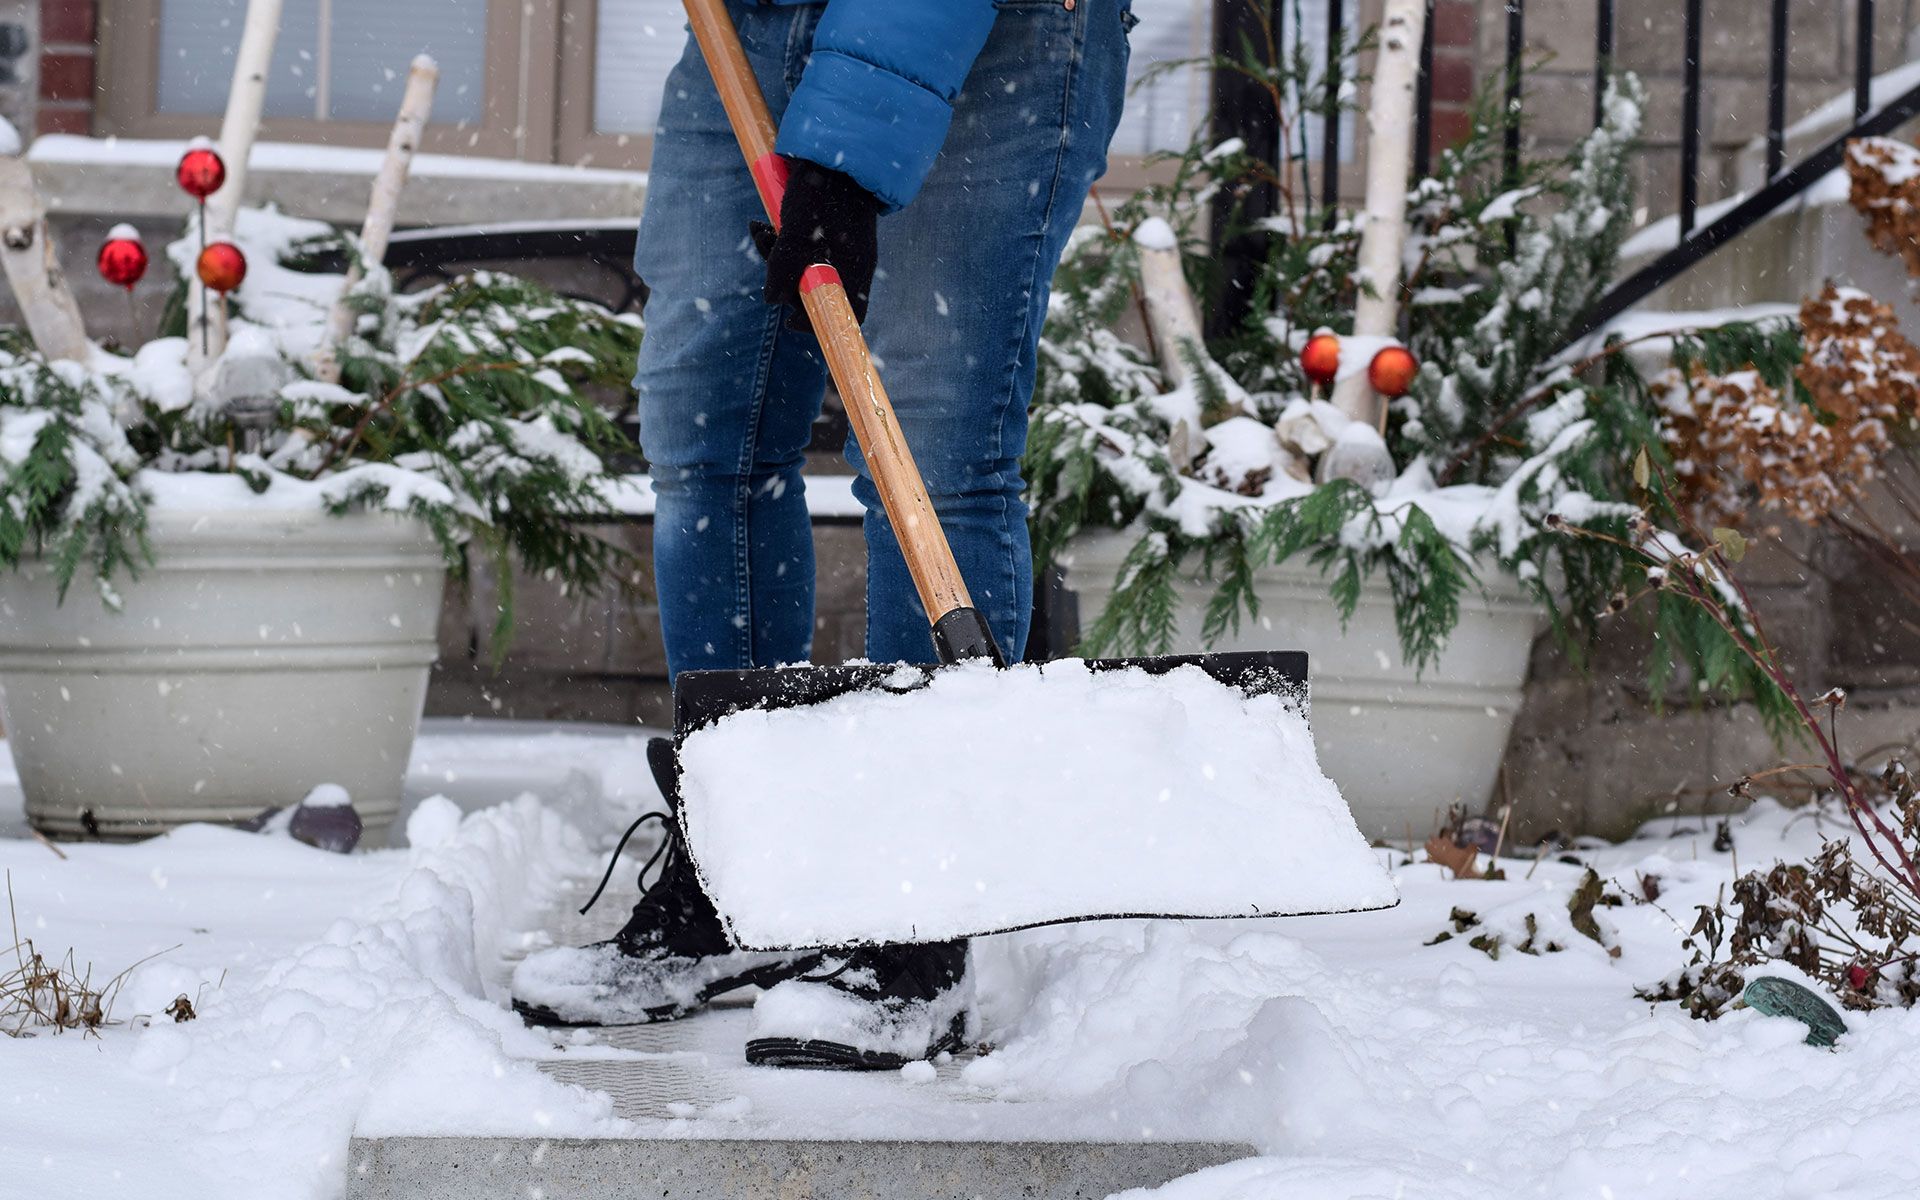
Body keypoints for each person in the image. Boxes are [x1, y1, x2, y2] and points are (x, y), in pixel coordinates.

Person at [511, 0, 1134, 1070]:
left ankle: (910, 910)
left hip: (991, 35)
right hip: (750, 27)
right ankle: (741, 868)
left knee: (932, 447)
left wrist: (847, 153)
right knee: (708, 425)